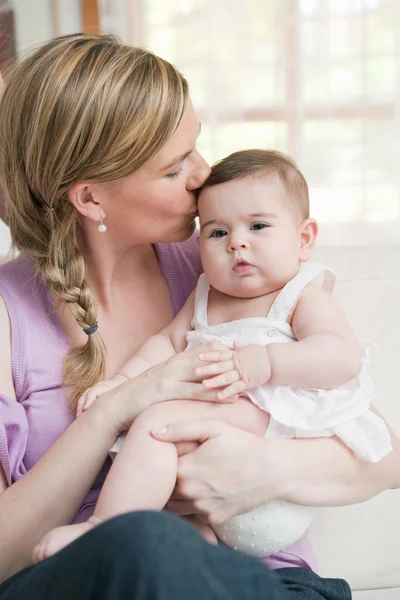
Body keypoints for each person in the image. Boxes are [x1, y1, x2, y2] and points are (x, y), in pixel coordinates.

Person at [0, 33, 398, 600]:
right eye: (173, 167)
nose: (203, 174)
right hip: (90, 582)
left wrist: (268, 466)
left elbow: (384, 456)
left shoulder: (227, 266)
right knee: (145, 544)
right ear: (91, 200)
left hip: (259, 580)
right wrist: (111, 412)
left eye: (196, 147)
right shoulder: (8, 316)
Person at [33, 149, 392, 562]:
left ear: (304, 238)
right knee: (160, 469)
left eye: (258, 226)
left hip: (268, 424)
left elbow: (341, 359)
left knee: (156, 425)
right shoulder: (206, 292)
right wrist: (119, 384)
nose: (237, 242)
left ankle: (102, 530)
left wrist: (267, 363)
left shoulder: (300, 295)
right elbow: (165, 345)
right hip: (213, 490)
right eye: (218, 233)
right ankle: (196, 545)